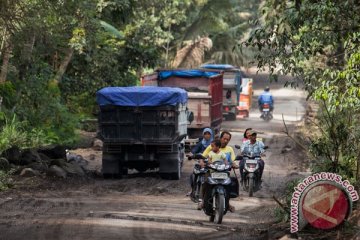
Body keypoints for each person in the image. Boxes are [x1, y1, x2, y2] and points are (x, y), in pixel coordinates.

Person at [200, 130, 237, 212]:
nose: (226, 141)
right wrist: (202, 163)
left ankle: (227, 203)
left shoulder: (230, 149)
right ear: (220, 138)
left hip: (224, 172)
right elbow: (203, 157)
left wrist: (234, 164)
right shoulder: (212, 146)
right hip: (211, 172)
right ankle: (203, 201)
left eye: (228, 139)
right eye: (224, 139)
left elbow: (233, 160)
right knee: (205, 183)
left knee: (229, 185)